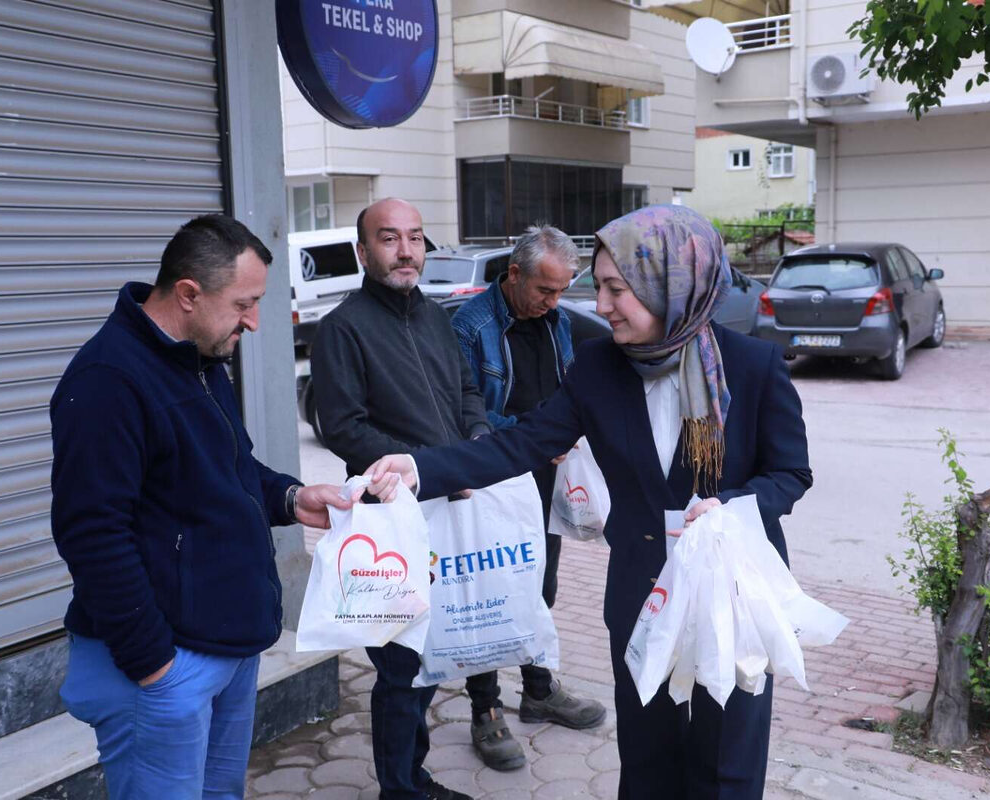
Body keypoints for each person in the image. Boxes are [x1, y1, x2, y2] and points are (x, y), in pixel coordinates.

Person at [364, 205, 812, 799]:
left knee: (727, 753)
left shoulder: (751, 367)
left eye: (615, 289)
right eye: (596, 287)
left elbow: (790, 473)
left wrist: (731, 506)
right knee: (648, 753)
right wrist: (421, 467)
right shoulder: (599, 366)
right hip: (641, 589)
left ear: (671, 286)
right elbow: (521, 443)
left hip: (731, 589)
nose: (599, 305)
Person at [50, 214, 351, 800]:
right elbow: (90, 534)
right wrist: (156, 669)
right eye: (245, 303)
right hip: (163, 668)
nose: (255, 321)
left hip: (226, 648)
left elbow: (229, 473)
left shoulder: (201, 360)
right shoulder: (107, 380)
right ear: (189, 294)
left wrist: (292, 497)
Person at [310, 198, 487, 800]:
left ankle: (414, 776)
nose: (406, 250)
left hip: (449, 510)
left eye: (415, 237)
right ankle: (401, 789)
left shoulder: (436, 318)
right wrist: (433, 469)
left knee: (429, 657)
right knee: (398, 666)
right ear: (364, 252)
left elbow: (467, 391)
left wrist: (478, 445)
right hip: (387, 525)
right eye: (389, 238)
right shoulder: (343, 327)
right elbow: (343, 427)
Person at [448, 225, 606, 770]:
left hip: (546, 477)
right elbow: (464, 410)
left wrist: (570, 429)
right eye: (545, 289)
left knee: (539, 585)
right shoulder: (469, 326)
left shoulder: (556, 320)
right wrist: (534, 435)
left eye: (562, 290)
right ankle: (484, 710)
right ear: (514, 274)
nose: (553, 301)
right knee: (491, 590)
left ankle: (537, 690)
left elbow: (566, 389)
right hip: (495, 477)